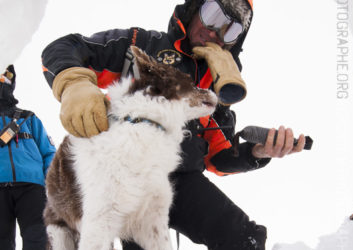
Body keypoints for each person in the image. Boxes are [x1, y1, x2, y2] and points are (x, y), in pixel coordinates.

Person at [41, 0, 307, 249]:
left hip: (182, 179)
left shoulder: (216, 87)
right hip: (122, 174)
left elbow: (218, 157)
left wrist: (256, 153)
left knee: (241, 236)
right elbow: (64, 47)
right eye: (213, 14)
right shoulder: (141, 46)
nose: (215, 33)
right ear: (194, 8)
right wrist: (73, 83)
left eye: (231, 30)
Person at [0, 65, 56, 250]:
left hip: (31, 187)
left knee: (37, 239)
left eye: (6, 76)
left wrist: (49, 180)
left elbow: (49, 152)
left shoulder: (27, 118)